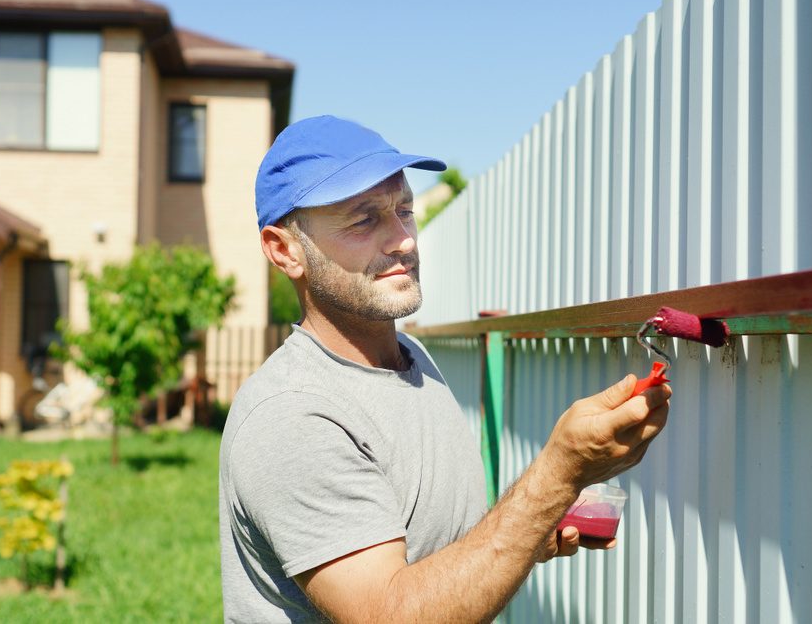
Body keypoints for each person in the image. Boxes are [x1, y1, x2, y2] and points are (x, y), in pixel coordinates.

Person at [219, 115, 672, 623]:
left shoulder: (412, 359)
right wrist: (557, 474)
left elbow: (428, 555)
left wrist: (529, 528)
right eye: (364, 219)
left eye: (404, 209)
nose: (404, 239)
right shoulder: (292, 418)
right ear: (285, 251)